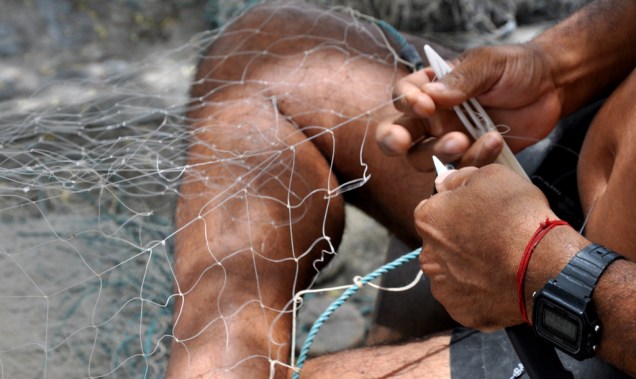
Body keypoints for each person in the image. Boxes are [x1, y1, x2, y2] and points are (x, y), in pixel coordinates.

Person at [166, 0, 636, 377]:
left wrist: (545, 269)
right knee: (263, 50)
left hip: (602, 328)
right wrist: (562, 66)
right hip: (569, 160)